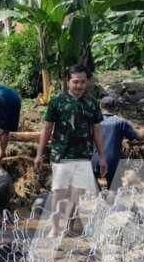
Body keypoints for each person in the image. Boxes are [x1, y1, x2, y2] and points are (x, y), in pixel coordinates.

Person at [35, 65, 107, 238]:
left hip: (83, 156)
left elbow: (97, 131)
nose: (79, 86)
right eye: (75, 82)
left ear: (87, 82)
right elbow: (47, 129)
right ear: (68, 82)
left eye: (82, 82)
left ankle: (68, 226)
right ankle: (54, 227)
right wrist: (39, 154)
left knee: (76, 195)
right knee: (58, 193)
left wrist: (102, 156)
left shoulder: (91, 103)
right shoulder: (57, 102)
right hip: (61, 155)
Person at [92, 96, 144, 189]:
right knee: (114, 189)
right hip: (112, 160)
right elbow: (136, 137)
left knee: (92, 190)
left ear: (100, 106)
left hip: (94, 159)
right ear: (115, 108)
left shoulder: (92, 121)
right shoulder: (121, 122)